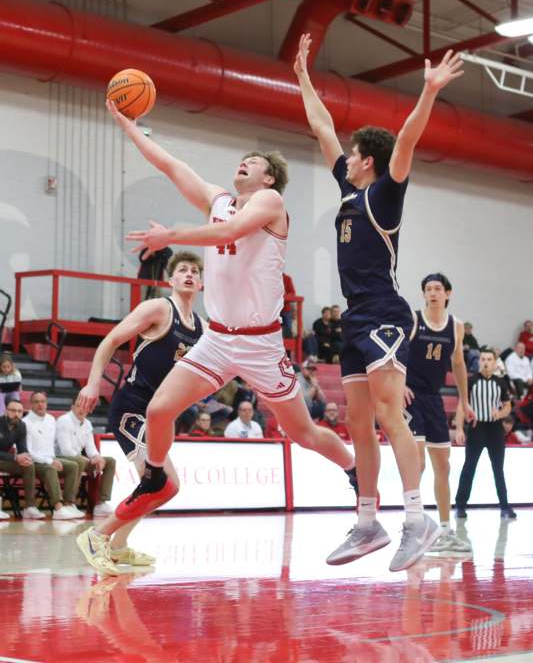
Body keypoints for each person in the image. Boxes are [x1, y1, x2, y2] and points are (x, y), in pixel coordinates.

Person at [98, 98, 357, 526]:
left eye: (251, 162)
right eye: (241, 161)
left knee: (302, 433)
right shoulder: (218, 200)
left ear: (268, 176)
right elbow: (172, 166)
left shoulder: (270, 203)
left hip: (260, 342)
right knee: (159, 411)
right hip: (218, 339)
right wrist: (130, 129)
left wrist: (171, 236)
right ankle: (156, 477)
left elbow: (231, 231)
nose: (242, 165)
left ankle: (354, 469)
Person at [295, 31, 463, 570]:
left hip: (387, 314)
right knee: (357, 422)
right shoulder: (347, 192)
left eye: (352, 153)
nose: (342, 157)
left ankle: (417, 519)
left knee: (392, 415)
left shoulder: (384, 195)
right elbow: (321, 126)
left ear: (366, 160)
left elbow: (407, 141)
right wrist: (301, 77)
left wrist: (430, 92)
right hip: (355, 317)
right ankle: (368, 522)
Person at [76, 251, 204, 575]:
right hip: (132, 409)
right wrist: (92, 385)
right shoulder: (159, 308)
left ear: (201, 283)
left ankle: (118, 546)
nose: (189, 274)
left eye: (194, 271)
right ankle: (98, 537)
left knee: (164, 485)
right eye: (182, 270)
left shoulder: (201, 327)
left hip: (159, 415)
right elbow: (110, 340)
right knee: (162, 484)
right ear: (170, 279)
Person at [404, 273, 475, 554]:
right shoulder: (413, 319)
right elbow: (396, 354)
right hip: (410, 396)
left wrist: (464, 401)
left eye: (437, 289)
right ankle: (416, 527)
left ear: (448, 293)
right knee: (418, 461)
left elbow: (458, 365)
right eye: (428, 289)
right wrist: (399, 387)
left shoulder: (456, 327)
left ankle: (445, 530)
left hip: (434, 398)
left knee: (443, 465)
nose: (432, 293)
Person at [455, 348, 516, 520]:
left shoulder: (501, 382)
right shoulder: (471, 381)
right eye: (483, 359)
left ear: (495, 362)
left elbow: (507, 406)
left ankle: (505, 507)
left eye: (489, 359)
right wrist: (459, 428)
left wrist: (501, 414)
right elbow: (461, 405)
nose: (486, 362)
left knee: (498, 470)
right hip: (476, 428)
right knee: (469, 468)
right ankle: (460, 506)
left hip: (495, 430)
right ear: (479, 361)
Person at [23, 392, 83, 519]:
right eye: (36, 402)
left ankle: (68, 504)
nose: (40, 404)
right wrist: (49, 461)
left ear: (46, 403)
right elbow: (28, 452)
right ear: (31, 404)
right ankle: (58, 508)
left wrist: (56, 459)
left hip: (51, 458)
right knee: (50, 468)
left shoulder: (51, 419)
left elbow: (56, 443)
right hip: (35, 462)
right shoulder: (25, 423)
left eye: (43, 401)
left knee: (73, 465)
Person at [55, 396, 116, 517]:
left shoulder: (87, 424)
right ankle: (69, 503)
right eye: (78, 406)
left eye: (84, 407)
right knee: (80, 461)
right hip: (60, 458)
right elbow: (65, 450)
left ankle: (101, 503)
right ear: (72, 408)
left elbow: (90, 448)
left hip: (78, 459)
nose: (81, 410)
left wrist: (97, 457)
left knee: (109, 461)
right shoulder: (64, 421)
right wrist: (87, 459)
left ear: (89, 409)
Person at [0, 397, 45, 520]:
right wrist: (15, 457)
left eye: (20, 411)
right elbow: (16, 455)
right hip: (5, 458)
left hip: (5, 460)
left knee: (28, 465)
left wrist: (25, 457)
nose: (16, 414)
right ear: (6, 411)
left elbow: (22, 449)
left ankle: (30, 507)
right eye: (13, 410)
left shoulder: (21, 426)